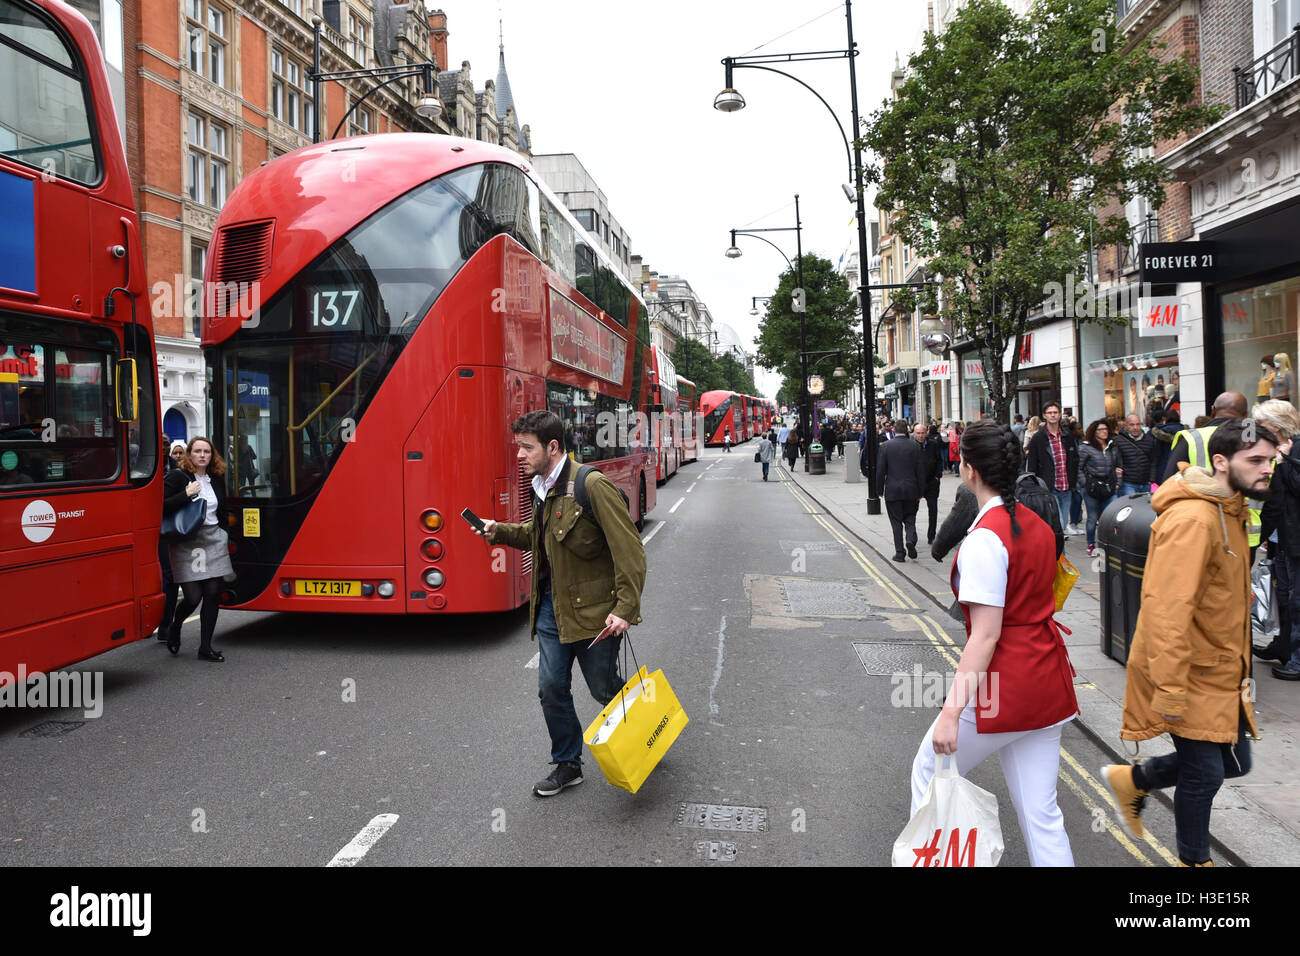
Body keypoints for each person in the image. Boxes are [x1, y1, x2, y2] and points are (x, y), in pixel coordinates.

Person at [1103, 419, 1275, 867]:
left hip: (1222, 670)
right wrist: (1170, 687)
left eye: (1271, 460)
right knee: (1204, 774)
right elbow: (1165, 610)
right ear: (1221, 462)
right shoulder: (1196, 520)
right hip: (1189, 670)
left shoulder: (1232, 508)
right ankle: (1194, 862)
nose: (1267, 469)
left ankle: (1135, 779)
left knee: (1236, 764)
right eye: (1255, 460)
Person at [910, 421, 1079, 867]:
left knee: (929, 771)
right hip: (1048, 681)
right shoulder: (1037, 525)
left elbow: (985, 636)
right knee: (1042, 814)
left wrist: (950, 714)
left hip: (1005, 685)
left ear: (968, 471)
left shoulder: (986, 539)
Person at [477, 410, 646, 798]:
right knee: (551, 688)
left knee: (604, 691)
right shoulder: (542, 486)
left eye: (525, 447)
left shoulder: (592, 485)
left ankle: (649, 728)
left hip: (595, 614)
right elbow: (542, 536)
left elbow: (630, 551)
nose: (518, 455)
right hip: (553, 609)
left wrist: (624, 608)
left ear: (552, 447)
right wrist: (499, 531)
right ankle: (567, 763)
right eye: (517, 446)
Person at [161, 436, 232, 662]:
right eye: (198, 451)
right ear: (190, 454)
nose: (202, 455)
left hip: (213, 538)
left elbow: (222, 508)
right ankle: (176, 625)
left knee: (212, 593)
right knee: (193, 597)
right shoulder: (177, 476)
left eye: (207, 452)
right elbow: (159, 505)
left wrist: (225, 531)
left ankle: (205, 648)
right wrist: (187, 494)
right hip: (187, 540)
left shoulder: (217, 478)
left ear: (212, 456)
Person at [1253, 401, 1300, 679]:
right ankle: (1284, 647)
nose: (1257, 429)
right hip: (1282, 535)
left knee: (1296, 599)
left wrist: (1283, 463)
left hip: (1294, 537)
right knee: (1284, 596)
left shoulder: (1294, 448)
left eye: (1262, 424)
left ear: (1278, 426)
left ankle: (1296, 660)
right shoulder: (1278, 449)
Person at [1160, 392, 1248, 482]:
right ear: (1246, 415)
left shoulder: (1192, 438)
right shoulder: (1253, 438)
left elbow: (1169, 482)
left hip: (1200, 495)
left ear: (1213, 411)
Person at [876, 420, 927, 561]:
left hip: (893, 491)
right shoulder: (916, 446)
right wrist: (921, 491)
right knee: (910, 518)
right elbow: (920, 471)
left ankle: (900, 553)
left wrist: (879, 490)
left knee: (896, 521)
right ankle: (910, 539)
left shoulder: (886, 446)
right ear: (907, 431)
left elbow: (880, 471)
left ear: (893, 429)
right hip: (911, 490)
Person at [1025, 402, 1078, 535]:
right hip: (1049, 488)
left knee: (1063, 523)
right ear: (1044, 416)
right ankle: (1059, 554)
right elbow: (1032, 464)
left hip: (1066, 487)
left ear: (1059, 415)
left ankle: (1055, 551)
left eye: (1055, 412)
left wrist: (1075, 481)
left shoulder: (1068, 435)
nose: (1053, 415)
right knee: (1058, 524)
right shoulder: (1038, 438)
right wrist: (1035, 487)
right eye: (1050, 413)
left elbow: (1075, 459)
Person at [154, 438, 186, 641]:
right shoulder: (143, 465)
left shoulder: (177, 470)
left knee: (170, 576)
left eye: (167, 443)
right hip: (148, 527)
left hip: (169, 528)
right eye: (161, 442)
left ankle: (165, 623)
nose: (164, 446)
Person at [1077, 420, 1119, 558]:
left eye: (1106, 429)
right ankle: (1091, 544)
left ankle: (1108, 544)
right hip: (1092, 487)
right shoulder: (1085, 447)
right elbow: (1079, 468)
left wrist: (1117, 483)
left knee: (1110, 517)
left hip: (1109, 486)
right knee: (1092, 517)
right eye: (1101, 429)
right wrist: (1085, 483)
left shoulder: (1111, 446)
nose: (1104, 432)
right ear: (1094, 432)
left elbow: (1116, 467)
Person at [1113, 413, 1156, 497]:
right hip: (1127, 483)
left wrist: (1152, 479)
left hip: (1146, 483)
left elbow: (1153, 461)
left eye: (1138, 424)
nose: (1135, 427)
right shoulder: (1118, 441)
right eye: (1132, 425)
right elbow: (1115, 462)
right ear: (1126, 426)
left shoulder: (1149, 440)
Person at [918, 422, 945, 545]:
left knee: (933, 510)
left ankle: (931, 536)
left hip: (931, 482)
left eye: (923, 433)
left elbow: (939, 460)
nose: (921, 435)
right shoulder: (912, 445)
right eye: (918, 433)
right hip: (917, 484)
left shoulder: (933, 444)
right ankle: (911, 536)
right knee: (912, 511)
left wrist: (937, 476)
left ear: (927, 432)